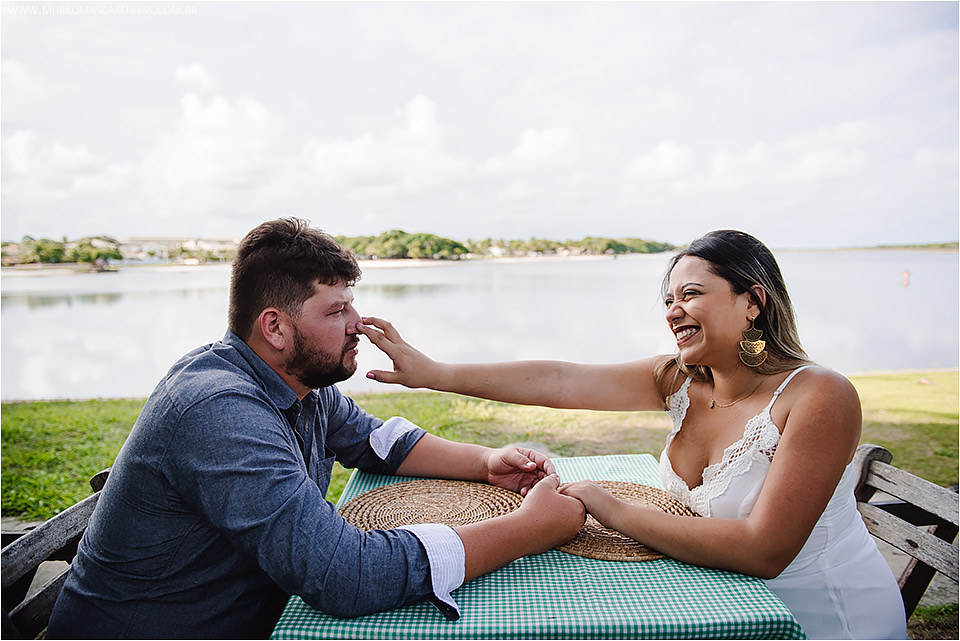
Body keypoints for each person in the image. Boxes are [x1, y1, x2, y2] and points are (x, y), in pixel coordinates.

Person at [47, 218, 585, 639]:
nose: (358, 324)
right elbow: (344, 575)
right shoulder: (220, 410)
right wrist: (530, 528)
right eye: (336, 311)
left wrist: (486, 463)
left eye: (351, 304)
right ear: (275, 327)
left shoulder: (299, 385)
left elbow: (378, 441)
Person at [357, 229, 908, 640]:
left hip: (819, 618)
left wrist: (609, 506)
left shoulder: (818, 395)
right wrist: (438, 375)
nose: (674, 311)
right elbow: (560, 378)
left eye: (690, 294)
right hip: (718, 603)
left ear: (753, 301)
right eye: (669, 300)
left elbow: (766, 551)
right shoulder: (677, 379)